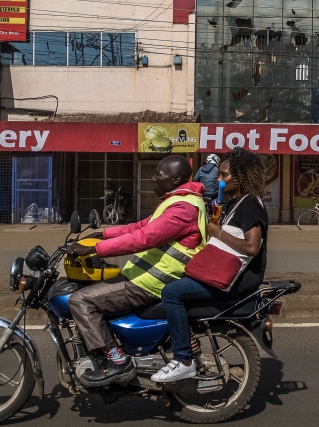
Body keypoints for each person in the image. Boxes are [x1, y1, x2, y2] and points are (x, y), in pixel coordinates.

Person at [66, 155, 207, 387]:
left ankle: (117, 363)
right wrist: (102, 234)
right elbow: (142, 225)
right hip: (144, 276)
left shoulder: (183, 209)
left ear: (176, 179)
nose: (153, 178)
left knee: (81, 301)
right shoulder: (177, 201)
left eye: (158, 174)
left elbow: (145, 238)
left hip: (151, 282)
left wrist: (94, 251)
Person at [152, 147, 268, 383]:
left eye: (223, 175)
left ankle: (183, 359)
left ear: (240, 177)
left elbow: (251, 247)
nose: (218, 179)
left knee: (172, 293)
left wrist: (217, 231)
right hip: (223, 266)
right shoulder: (233, 201)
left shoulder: (250, 204)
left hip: (239, 276)